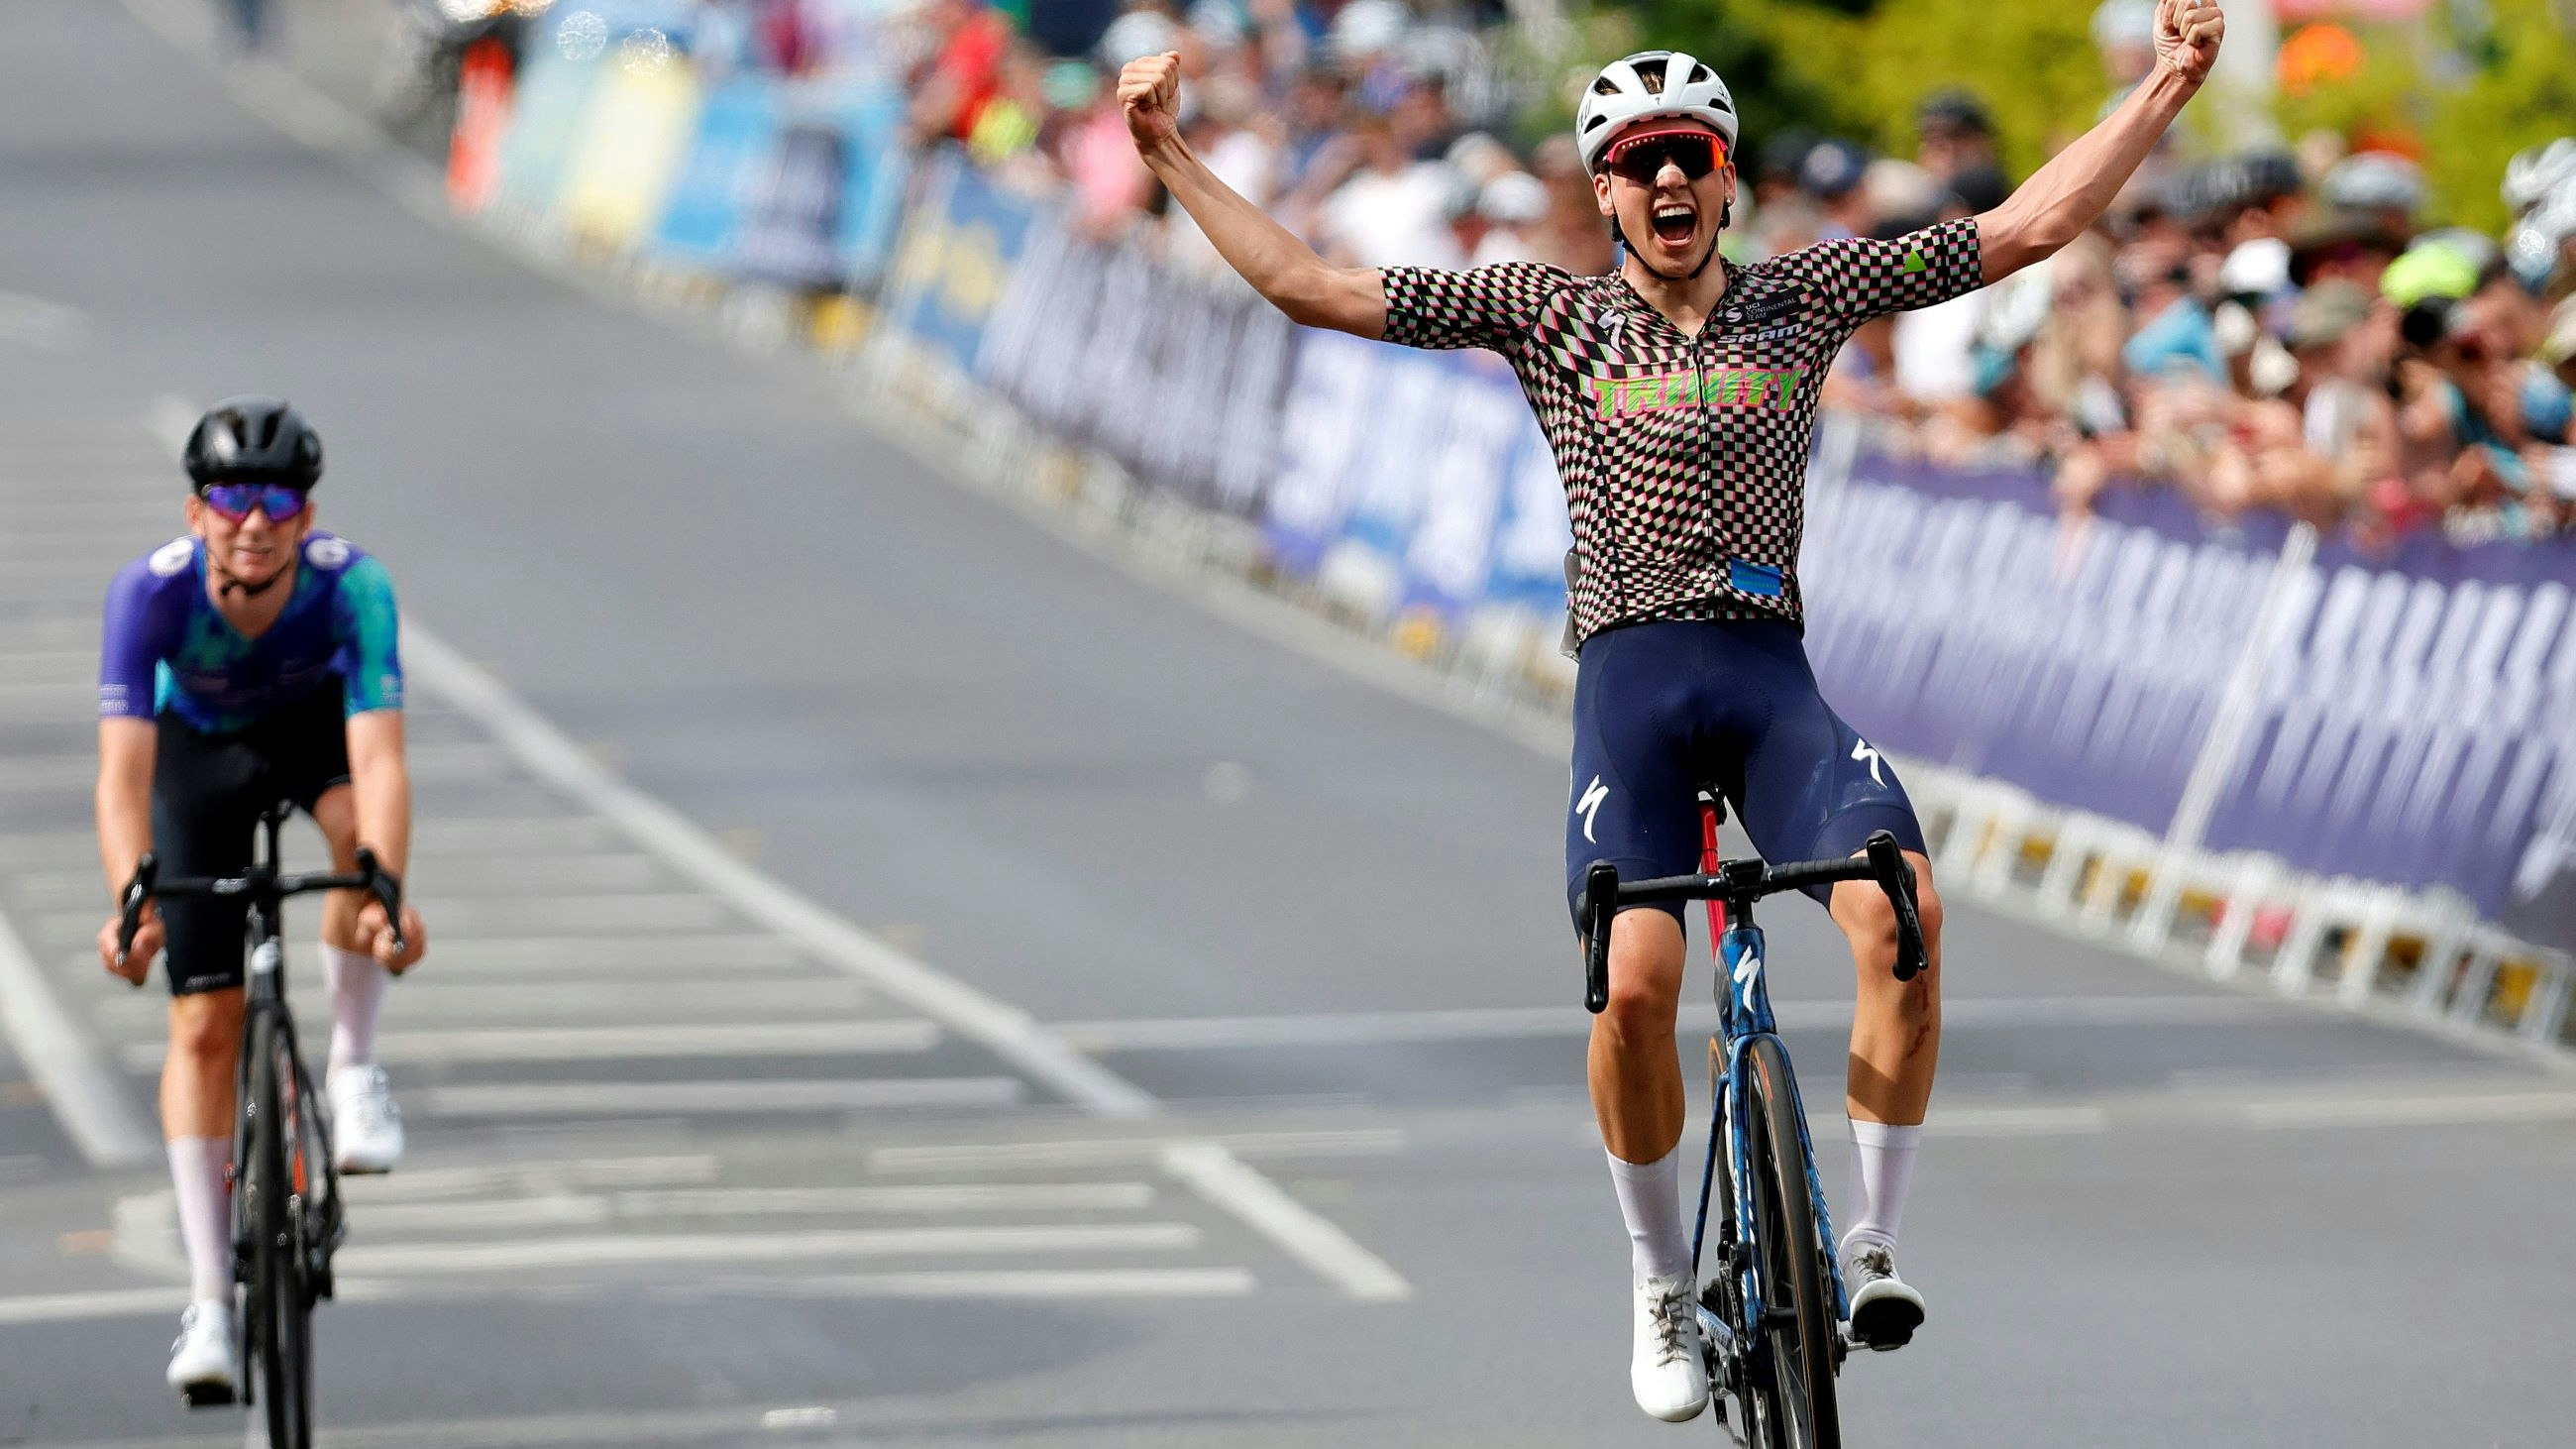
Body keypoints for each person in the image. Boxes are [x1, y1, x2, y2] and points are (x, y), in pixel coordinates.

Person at [1119, 0, 2224, 1422]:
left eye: (1690, 158)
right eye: (1637, 165)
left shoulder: (1805, 295)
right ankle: (1656, 1282)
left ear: (1726, 175)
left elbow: (2019, 229)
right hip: (1633, 683)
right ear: (1605, 191)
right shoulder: (1545, 312)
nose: (1667, 185)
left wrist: (2165, 92)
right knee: (1637, 984)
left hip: (1771, 677)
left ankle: (1873, 1239)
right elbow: (1315, 285)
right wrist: (1170, 152)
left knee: (1906, 909)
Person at [94, 397, 429, 1405]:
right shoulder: (147, 597)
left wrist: (385, 892)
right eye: (231, 498)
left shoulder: (353, 587)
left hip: (312, 737)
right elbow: (121, 780)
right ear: (197, 514)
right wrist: (131, 902)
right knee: (203, 1023)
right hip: (196, 757)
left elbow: (380, 761)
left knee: (350, 844)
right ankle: (210, 1300)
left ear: (306, 514)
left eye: (275, 499)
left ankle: (355, 1069)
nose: (253, 519)